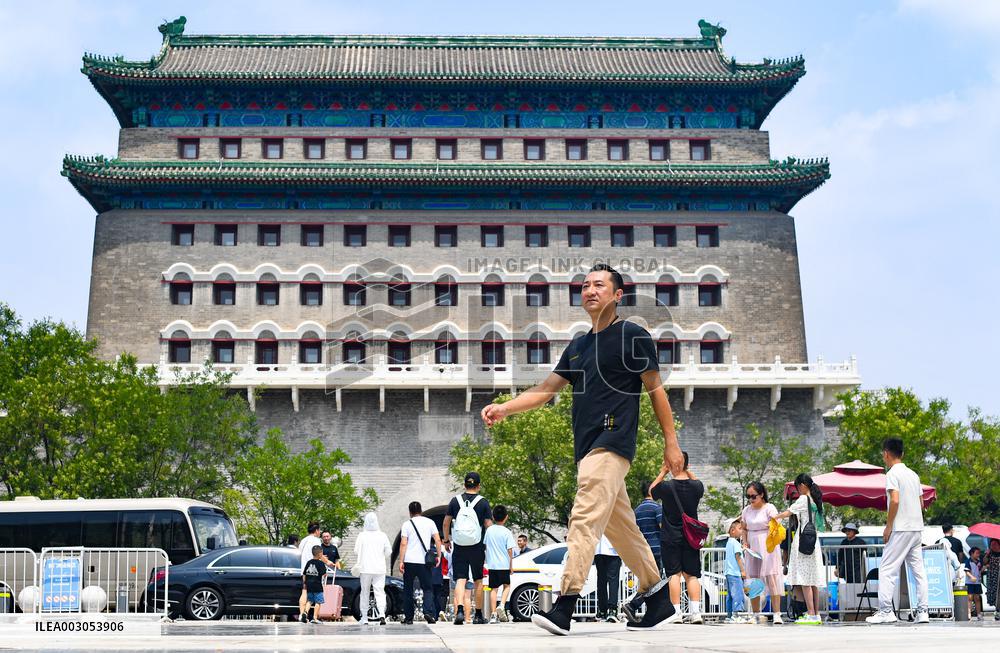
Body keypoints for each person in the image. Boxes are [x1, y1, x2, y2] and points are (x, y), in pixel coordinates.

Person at [481, 263, 683, 636]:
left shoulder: (632, 336)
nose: (590, 290)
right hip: (587, 449)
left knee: (584, 517)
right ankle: (657, 596)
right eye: (585, 285)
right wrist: (505, 408)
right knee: (622, 529)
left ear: (617, 295)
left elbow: (656, 390)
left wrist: (671, 442)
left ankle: (565, 603)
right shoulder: (577, 346)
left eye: (599, 285)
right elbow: (546, 390)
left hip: (613, 442)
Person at [867, 438, 929, 624]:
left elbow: (894, 500)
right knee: (918, 571)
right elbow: (921, 503)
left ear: (886, 453)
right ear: (902, 453)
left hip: (901, 527)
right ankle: (923, 611)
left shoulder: (892, 474)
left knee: (887, 568)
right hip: (916, 528)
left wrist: (888, 526)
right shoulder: (914, 475)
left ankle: (886, 611)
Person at [649, 451, 703, 624]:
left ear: (672, 464)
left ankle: (677, 614)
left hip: (670, 537)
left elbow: (651, 490)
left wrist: (664, 472)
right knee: (692, 575)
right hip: (691, 537)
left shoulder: (666, 487)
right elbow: (697, 483)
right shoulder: (696, 487)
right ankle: (696, 613)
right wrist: (685, 469)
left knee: (674, 575)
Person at [774, 473, 825, 625]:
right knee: (813, 579)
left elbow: (787, 513)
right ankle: (816, 614)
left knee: (804, 579)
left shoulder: (803, 499)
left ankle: (810, 614)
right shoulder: (816, 500)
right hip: (813, 542)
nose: (797, 490)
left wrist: (773, 518)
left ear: (803, 485)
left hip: (803, 542)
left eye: (797, 487)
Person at [443, 471, 493, 625]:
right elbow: (488, 525)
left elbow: (446, 522)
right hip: (476, 545)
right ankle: (478, 615)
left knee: (460, 579)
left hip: (459, 545)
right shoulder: (483, 502)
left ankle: (459, 611)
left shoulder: (454, 501)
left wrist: (446, 540)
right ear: (478, 486)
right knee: (478, 580)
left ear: (465, 485)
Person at [741, 481, 784, 623]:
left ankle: (777, 613)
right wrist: (745, 542)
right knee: (753, 579)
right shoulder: (746, 510)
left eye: (753, 496)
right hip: (752, 545)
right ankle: (755, 613)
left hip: (767, 544)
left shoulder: (769, 508)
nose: (751, 500)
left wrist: (775, 520)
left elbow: (776, 523)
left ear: (761, 495)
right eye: (748, 496)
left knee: (771, 577)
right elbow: (744, 528)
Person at [399, 501, 442, 625]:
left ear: (410, 512)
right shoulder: (430, 522)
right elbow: (437, 539)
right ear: (421, 510)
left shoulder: (407, 524)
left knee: (408, 589)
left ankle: (408, 617)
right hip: (424, 562)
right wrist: (438, 555)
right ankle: (428, 611)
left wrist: (401, 561)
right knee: (428, 588)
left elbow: (403, 543)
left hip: (409, 561)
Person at [353, 512, 391, 626]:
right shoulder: (383, 535)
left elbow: (356, 551)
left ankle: (364, 618)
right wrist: (380, 557)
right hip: (379, 568)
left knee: (364, 592)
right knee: (380, 592)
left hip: (365, 568)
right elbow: (388, 551)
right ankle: (382, 615)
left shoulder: (362, 535)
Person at [484, 505, 516, 623]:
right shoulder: (507, 532)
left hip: (492, 564)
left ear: (493, 517)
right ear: (506, 517)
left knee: (493, 588)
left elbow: (486, 546)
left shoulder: (489, 530)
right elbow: (510, 550)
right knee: (507, 585)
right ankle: (501, 605)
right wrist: (510, 566)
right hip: (504, 563)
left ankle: (493, 615)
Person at [298, 522, 330, 621]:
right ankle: (314, 617)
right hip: (315, 571)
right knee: (317, 596)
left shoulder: (303, 540)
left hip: (304, 569)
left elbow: (299, 553)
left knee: (304, 592)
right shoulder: (316, 540)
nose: (319, 532)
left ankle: (302, 614)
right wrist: (328, 562)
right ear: (316, 531)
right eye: (319, 530)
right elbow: (319, 554)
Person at [723, 517, 749, 623]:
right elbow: (738, 557)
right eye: (740, 528)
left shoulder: (729, 542)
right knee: (737, 593)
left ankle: (729, 616)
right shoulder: (735, 543)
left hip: (728, 573)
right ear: (732, 530)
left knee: (730, 595)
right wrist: (743, 571)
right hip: (735, 573)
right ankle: (736, 615)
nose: (741, 531)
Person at [634, 480, 663, 572]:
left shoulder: (636, 511)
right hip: (658, 551)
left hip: (644, 552)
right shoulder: (657, 508)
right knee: (660, 582)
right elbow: (663, 528)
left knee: (648, 583)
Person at [594, 535, 622, 622]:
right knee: (613, 580)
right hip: (613, 549)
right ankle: (612, 611)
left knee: (601, 581)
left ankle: (602, 611)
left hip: (598, 549)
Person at [301, 545, 327, 624]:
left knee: (310, 601)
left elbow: (304, 574)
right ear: (320, 554)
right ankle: (315, 618)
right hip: (317, 585)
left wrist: (305, 583)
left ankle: (305, 612)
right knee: (318, 602)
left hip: (309, 585)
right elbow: (324, 574)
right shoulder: (321, 563)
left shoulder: (309, 562)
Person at [983, 538, 1000, 621]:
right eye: (992, 544)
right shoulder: (989, 552)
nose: (994, 546)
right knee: (994, 593)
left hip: (996, 574)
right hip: (993, 575)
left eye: (995, 544)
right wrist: (987, 554)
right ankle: (997, 611)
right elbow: (985, 562)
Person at [965, 547, 983, 620]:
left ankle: (979, 614)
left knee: (977, 598)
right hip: (969, 583)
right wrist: (971, 577)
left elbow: (980, 569)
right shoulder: (968, 561)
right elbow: (966, 571)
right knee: (969, 598)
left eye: (979, 553)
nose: (978, 555)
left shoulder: (979, 561)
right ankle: (969, 613)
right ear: (972, 553)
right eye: (977, 553)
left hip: (977, 582)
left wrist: (984, 568)